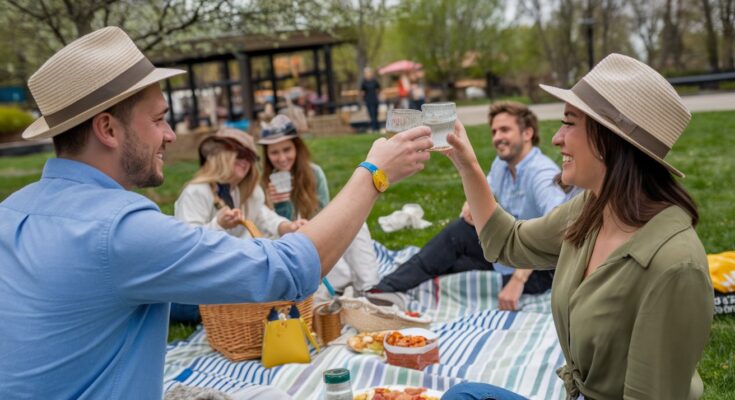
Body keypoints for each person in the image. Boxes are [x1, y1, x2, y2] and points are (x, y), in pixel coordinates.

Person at [0, 27, 432, 399]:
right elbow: (286, 271)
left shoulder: (10, 210)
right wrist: (373, 174)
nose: (170, 135)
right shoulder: (119, 230)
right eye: (158, 120)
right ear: (108, 129)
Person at [441, 54, 713, 399]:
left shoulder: (675, 266)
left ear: (609, 140)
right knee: (463, 395)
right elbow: (508, 242)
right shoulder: (591, 210)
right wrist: (466, 163)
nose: (556, 138)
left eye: (569, 123)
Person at [368, 102, 568, 311]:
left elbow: (559, 231)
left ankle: (380, 291)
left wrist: (518, 280)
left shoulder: (542, 174)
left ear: (528, 133)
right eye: (494, 131)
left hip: (538, 270)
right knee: (447, 257)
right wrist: (470, 206)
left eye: (505, 130)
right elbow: (484, 192)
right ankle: (385, 293)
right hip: (507, 252)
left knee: (455, 237)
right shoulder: (502, 165)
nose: (497, 137)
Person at [169, 127, 305, 322]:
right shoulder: (196, 192)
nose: (246, 161)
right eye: (239, 153)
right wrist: (218, 224)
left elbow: (266, 218)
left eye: (250, 156)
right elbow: (186, 246)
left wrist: (289, 227)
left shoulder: (247, 191)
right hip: (196, 282)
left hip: (228, 275)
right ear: (220, 155)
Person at [260, 114, 381, 296]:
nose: (282, 158)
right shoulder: (263, 183)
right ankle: (342, 286)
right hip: (288, 248)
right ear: (267, 155)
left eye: (287, 150)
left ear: (297, 148)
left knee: (357, 223)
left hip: (314, 237)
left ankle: (371, 288)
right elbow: (267, 226)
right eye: (274, 152)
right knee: (340, 276)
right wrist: (277, 203)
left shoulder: (313, 173)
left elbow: (326, 215)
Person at [360, 67, 381, 133]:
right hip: (368, 100)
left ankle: (376, 128)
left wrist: (378, 94)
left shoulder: (374, 80)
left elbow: (378, 88)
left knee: (375, 113)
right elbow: (362, 91)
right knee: (371, 114)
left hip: (374, 99)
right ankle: (374, 128)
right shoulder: (364, 81)